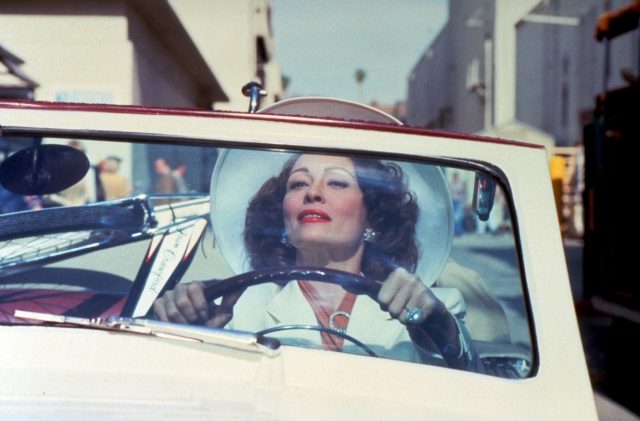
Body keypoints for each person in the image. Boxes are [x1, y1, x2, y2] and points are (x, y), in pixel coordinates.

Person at [154, 153, 481, 371]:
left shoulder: (436, 306)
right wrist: (180, 329)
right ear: (282, 218)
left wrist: (437, 322)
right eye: (299, 183)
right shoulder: (237, 306)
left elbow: (470, 379)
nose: (313, 192)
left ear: (372, 217)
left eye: (337, 182)